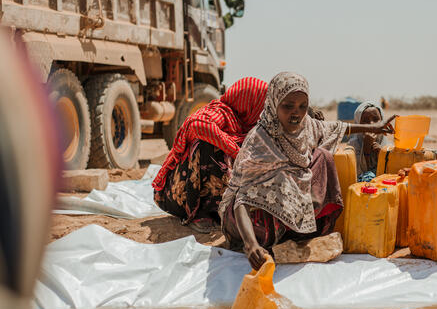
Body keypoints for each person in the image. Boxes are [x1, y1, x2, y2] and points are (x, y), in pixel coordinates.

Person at [219, 72, 396, 270]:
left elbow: (336, 127)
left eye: (303, 106)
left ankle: (301, 231)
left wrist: (373, 128)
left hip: (287, 208)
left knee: (323, 157)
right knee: (276, 190)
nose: (296, 113)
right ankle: (269, 239)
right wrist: (250, 245)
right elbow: (241, 199)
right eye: (288, 106)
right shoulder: (260, 140)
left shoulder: (306, 126)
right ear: (273, 104)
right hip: (249, 216)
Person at [153, 77, 269, 232]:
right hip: (177, 195)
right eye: (261, 106)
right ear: (249, 103)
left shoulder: (250, 127)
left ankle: (221, 211)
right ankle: (201, 213)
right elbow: (198, 125)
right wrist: (235, 152)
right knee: (208, 144)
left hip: (208, 198)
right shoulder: (221, 112)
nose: (263, 112)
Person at [347, 101, 390, 181]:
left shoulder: (388, 146)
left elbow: (391, 173)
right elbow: (355, 175)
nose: (371, 123)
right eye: (365, 120)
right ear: (358, 123)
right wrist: (366, 149)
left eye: (376, 119)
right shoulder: (352, 147)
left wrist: (382, 154)